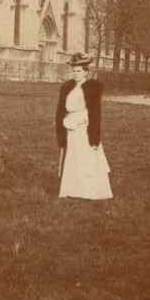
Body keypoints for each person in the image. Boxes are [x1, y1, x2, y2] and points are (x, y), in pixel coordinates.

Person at [55, 52, 112, 200]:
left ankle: (88, 191)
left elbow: (94, 113)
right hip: (70, 129)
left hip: (83, 128)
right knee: (72, 158)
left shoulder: (91, 88)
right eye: (74, 71)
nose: (76, 74)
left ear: (86, 72)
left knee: (85, 159)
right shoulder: (68, 87)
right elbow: (62, 109)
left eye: (79, 71)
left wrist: (94, 137)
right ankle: (73, 189)